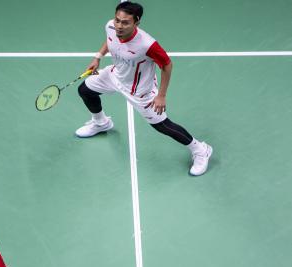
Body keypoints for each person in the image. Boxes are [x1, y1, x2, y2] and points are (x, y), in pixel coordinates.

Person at [75, 1, 212, 176]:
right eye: (117, 20)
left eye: (125, 22)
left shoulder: (147, 45)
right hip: (115, 75)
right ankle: (101, 123)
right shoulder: (110, 26)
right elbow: (110, 41)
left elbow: (167, 65)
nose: (119, 26)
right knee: (85, 90)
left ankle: (201, 150)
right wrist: (98, 57)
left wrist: (161, 95)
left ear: (136, 22)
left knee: (162, 125)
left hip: (140, 90)